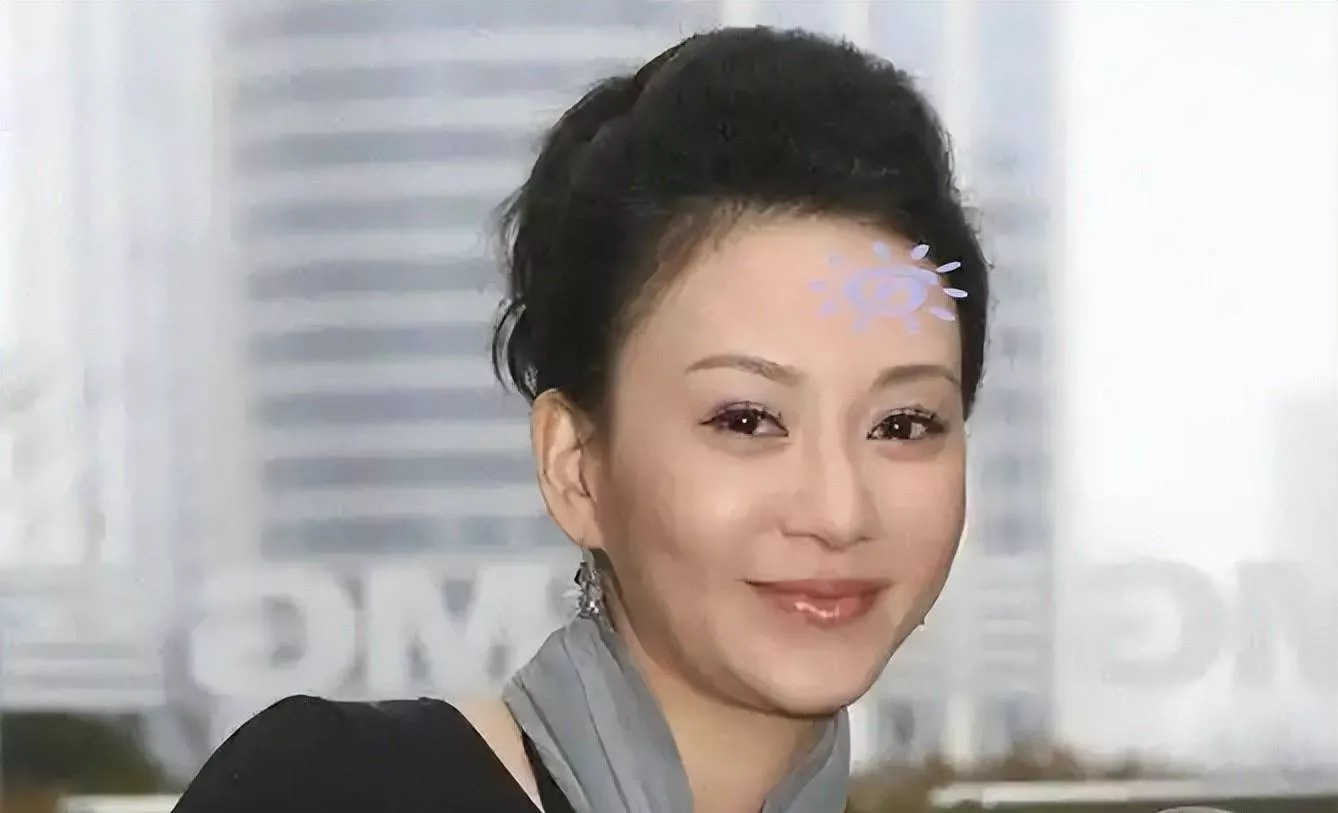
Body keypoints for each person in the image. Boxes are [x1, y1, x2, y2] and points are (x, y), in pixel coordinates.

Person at [172, 24, 988, 813]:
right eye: (747, 420)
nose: (839, 511)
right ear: (576, 467)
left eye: (904, 424)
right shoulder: (329, 791)